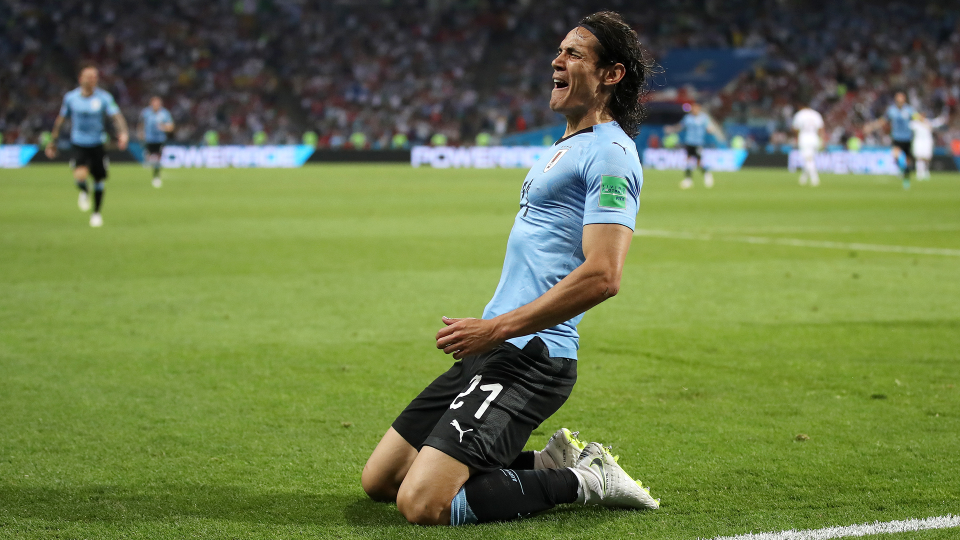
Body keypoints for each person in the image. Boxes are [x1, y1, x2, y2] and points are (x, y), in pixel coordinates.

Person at [361, 11, 659, 527]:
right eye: (559, 50)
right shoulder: (566, 146)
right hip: (494, 346)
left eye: (574, 54)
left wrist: (495, 327)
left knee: (423, 504)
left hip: (531, 356)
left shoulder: (611, 154)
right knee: (382, 481)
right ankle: (547, 463)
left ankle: (584, 479)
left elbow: (604, 275)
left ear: (611, 75)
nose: (556, 61)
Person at [45, 66, 128, 227]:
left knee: (98, 179)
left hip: (97, 143)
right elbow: (61, 120)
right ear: (80, 79)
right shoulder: (71, 98)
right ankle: (84, 190)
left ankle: (96, 213)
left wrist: (123, 133)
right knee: (80, 176)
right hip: (78, 143)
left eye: (95, 77)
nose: (92, 79)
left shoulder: (104, 97)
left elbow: (117, 116)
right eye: (89, 76)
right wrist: (52, 141)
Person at [668, 102, 725, 189]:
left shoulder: (703, 118)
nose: (695, 110)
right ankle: (688, 180)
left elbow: (709, 127)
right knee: (688, 160)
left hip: (698, 143)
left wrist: (711, 130)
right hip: (689, 142)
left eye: (696, 108)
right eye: (693, 108)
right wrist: (672, 129)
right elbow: (681, 126)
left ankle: (706, 174)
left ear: (699, 108)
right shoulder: (688, 118)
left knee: (699, 162)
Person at [867, 92, 915, 189]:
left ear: (904, 100)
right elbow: (883, 120)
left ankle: (906, 178)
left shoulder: (909, 110)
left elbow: (917, 117)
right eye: (898, 100)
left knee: (907, 160)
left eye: (901, 100)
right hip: (897, 137)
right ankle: (901, 169)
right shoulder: (891, 110)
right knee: (896, 155)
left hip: (907, 138)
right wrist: (872, 126)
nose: (899, 102)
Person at [138, 96, 174, 188]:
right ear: (151, 104)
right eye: (154, 103)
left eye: (157, 103)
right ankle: (149, 174)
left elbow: (171, 127)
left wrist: (163, 127)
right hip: (149, 139)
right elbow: (141, 124)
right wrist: (140, 133)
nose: (156, 105)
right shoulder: (146, 113)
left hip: (160, 139)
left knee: (158, 157)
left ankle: (156, 175)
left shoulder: (165, 113)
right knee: (149, 158)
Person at [791, 105, 825, 186]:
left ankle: (815, 178)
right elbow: (821, 128)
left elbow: (795, 128)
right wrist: (822, 139)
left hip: (804, 138)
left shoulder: (800, 114)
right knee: (810, 158)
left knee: (808, 159)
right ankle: (803, 179)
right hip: (814, 138)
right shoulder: (816, 114)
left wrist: (797, 136)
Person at [909, 111, 946, 181]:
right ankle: (919, 172)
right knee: (919, 157)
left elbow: (937, 123)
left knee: (926, 157)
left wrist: (942, 118)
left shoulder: (928, 122)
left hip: (927, 142)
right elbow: (908, 124)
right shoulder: (915, 123)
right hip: (918, 141)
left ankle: (926, 171)